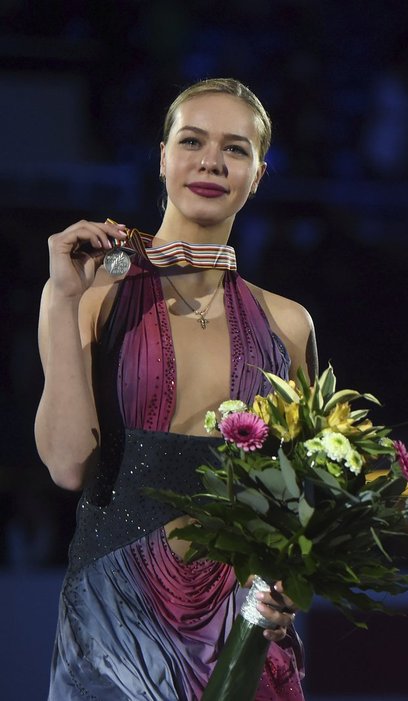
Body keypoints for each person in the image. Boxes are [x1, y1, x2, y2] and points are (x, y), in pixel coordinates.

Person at [36, 78, 317, 700]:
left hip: (243, 633)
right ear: (162, 156)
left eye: (235, 149)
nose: (212, 160)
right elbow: (65, 464)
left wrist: (291, 590)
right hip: (114, 631)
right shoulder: (92, 295)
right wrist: (60, 300)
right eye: (192, 140)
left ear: (259, 173)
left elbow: (301, 497)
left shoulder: (288, 324)